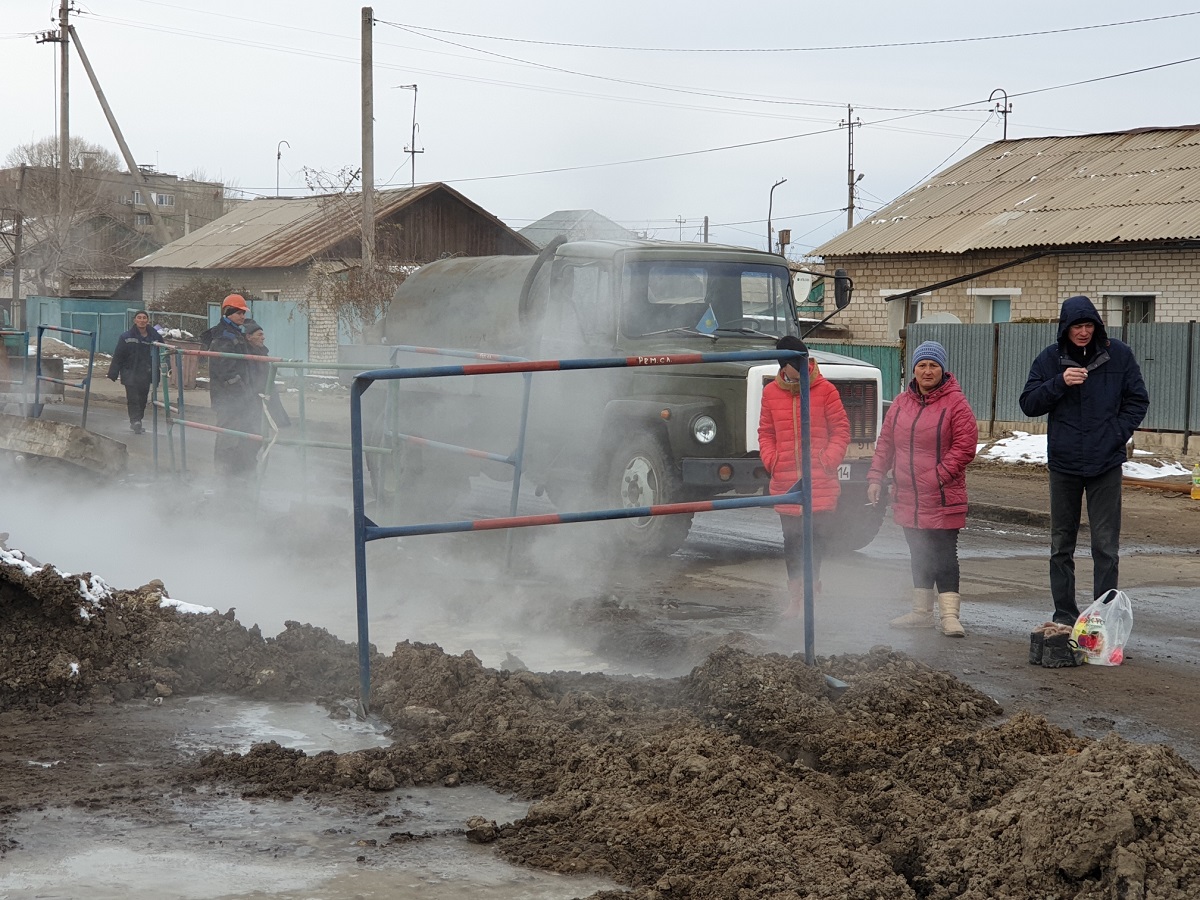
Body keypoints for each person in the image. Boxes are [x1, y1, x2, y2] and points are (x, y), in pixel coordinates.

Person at [1019, 295, 1149, 627]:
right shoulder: (1050, 360)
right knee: (1062, 543)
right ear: (1066, 328)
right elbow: (1029, 403)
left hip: (1105, 463)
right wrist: (1059, 383)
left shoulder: (1117, 355)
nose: (1083, 332)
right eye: (1077, 326)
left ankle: (1102, 620)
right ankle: (1064, 615)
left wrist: (1116, 433)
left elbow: (1137, 399)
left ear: (1097, 326)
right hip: (1064, 464)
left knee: (1105, 546)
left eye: (1089, 325)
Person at [867, 341, 978, 637]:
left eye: (933, 366)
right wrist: (876, 476)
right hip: (907, 496)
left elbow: (965, 447)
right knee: (918, 552)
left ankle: (949, 616)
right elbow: (886, 444)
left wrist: (937, 477)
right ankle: (920, 612)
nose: (927, 371)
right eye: (922, 366)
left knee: (943, 554)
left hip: (942, 495)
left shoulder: (957, 404)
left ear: (943, 369)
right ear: (913, 370)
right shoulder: (901, 403)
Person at [758, 335, 851, 618]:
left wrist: (827, 461)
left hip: (819, 482)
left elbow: (841, 430)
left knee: (816, 540)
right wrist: (772, 460)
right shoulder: (771, 393)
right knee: (792, 542)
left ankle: (812, 595)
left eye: (803, 361)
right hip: (785, 480)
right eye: (794, 364)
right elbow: (766, 433)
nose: (801, 368)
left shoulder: (826, 390)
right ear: (784, 367)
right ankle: (795, 600)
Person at [207, 294, 259, 477]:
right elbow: (226, 372)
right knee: (227, 435)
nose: (242, 316)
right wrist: (242, 393)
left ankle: (239, 470)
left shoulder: (235, 332)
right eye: (239, 313)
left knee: (243, 433)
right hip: (228, 397)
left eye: (243, 313)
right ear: (228, 312)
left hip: (238, 396)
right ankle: (224, 472)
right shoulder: (223, 337)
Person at [106, 310, 161, 434]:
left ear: (148, 320)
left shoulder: (155, 337)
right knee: (133, 398)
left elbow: (162, 353)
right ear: (135, 320)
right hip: (129, 372)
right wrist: (113, 372)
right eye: (139, 318)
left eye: (144, 318)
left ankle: (138, 419)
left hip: (146, 373)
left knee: (142, 399)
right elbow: (118, 355)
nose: (142, 320)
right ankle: (135, 421)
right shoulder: (126, 337)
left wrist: (165, 367)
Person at [243, 319, 291, 428]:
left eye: (262, 334)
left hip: (267, 394)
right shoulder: (247, 354)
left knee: (269, 428)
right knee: (258, 430)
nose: (263, 337)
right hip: (256, 397)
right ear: (249, 337)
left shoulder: (262, 352)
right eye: (259, 335)